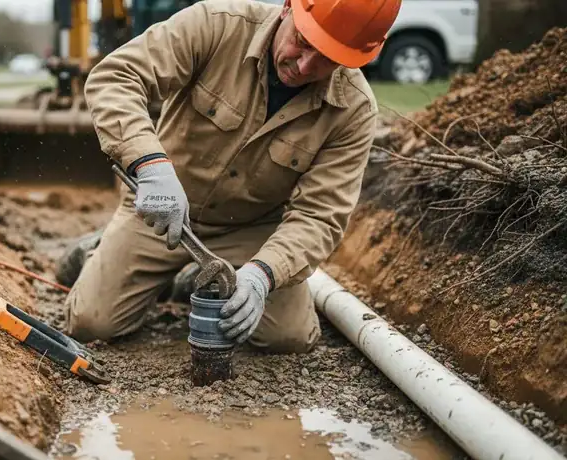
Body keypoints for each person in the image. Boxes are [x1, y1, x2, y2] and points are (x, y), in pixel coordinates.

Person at [61, 0, 401, 353]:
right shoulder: (217, 24)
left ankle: (195, 277)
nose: (304, 66)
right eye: (303, 42)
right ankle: (99, 249)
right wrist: (150, 165)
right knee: (90, 323)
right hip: (162, 207)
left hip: (251, 230)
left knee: (287, 339)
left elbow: (319, 216)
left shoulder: (354, 109)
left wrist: (262, 275)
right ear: (288, 8)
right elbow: (116, 76)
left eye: (328, 60)